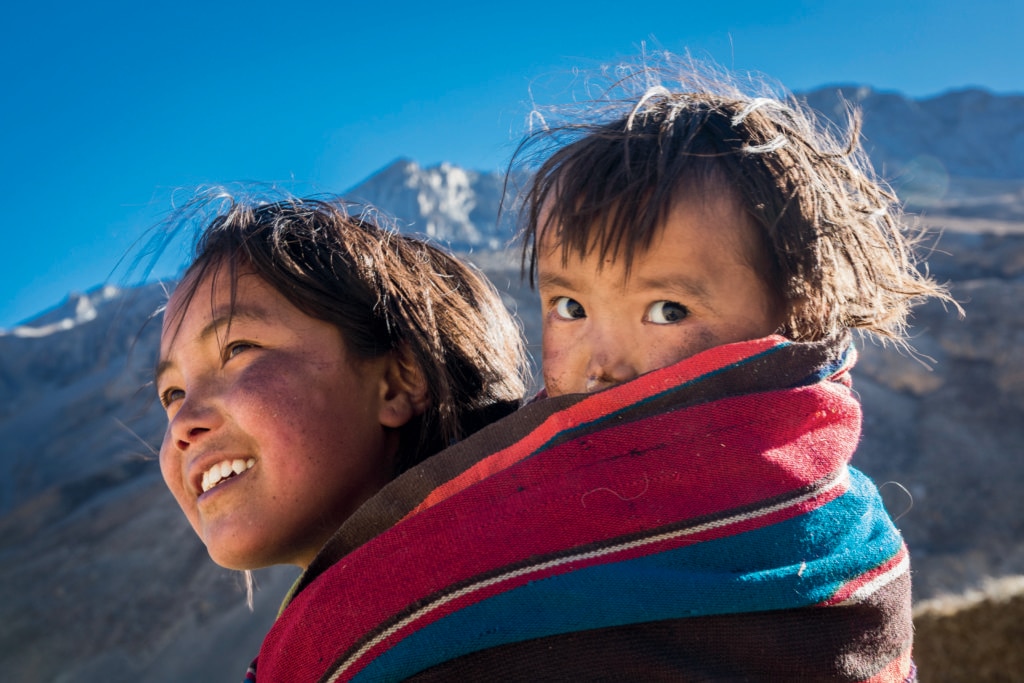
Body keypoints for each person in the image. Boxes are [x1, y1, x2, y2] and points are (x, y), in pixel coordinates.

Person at [231, 61, 948, 683]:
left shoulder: (838, 532)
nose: (601, 358)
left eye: (666, 308)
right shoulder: (487, 527)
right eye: (569, 305)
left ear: (797, 316)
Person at [153, 196, 528, 675]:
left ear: (398, 381)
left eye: (238, 349)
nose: (184, 422)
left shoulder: (469, 632)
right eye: (172, 393)